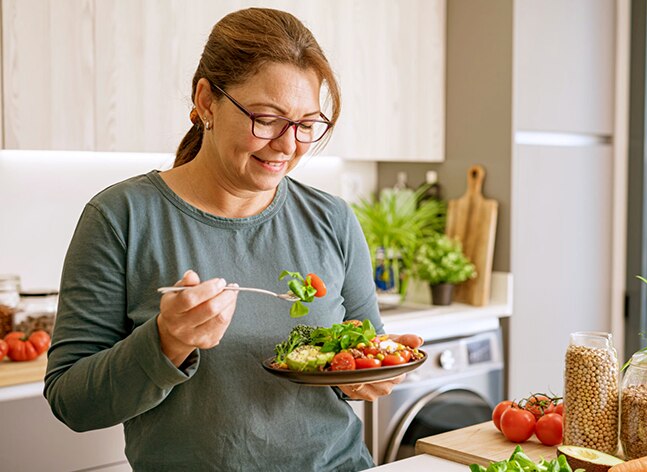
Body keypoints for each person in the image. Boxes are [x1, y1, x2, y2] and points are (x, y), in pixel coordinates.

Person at [44, 8, 422, 471]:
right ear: (206, 101)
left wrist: (367, 374)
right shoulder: (121, 217)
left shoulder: (332, 219)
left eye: (306, 125)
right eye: (266, 119)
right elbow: (72, 403)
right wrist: (166, 341)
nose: (288, 146)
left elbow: (361, 354)